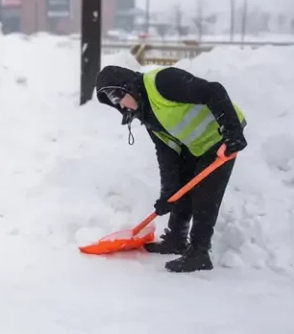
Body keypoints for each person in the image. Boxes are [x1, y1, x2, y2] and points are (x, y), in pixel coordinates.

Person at [95, 64, 248, 273]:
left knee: (205, 193)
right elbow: (167, 157)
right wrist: (167, 194)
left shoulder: (163, 82)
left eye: (116, 97)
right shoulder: (148, 115)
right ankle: (176, 239)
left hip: (223, 137)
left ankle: (199, 253)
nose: (119, 105)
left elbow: (214, 90)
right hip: (197, 146)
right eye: (114, 102)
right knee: (179, 188)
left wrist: (232, 131)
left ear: (127, 87)